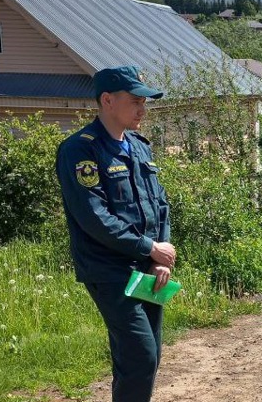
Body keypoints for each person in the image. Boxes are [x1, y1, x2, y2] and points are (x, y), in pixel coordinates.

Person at [55, 66, 175, 402]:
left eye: (144, 102)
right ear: (107, 100)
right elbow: (94, 217)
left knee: (147, 358)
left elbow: (160, 203)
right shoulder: (80, 150)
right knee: (140, 355)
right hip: (109, 271)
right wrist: (150, 248)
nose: (142, 109)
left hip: (149, 269)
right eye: (135, 101)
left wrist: (160, 256)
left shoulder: (139, 146)